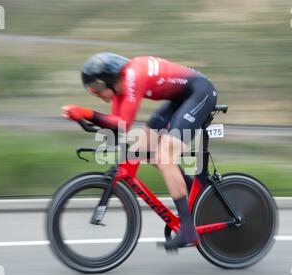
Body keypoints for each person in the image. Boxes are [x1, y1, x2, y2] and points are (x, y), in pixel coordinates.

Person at [62, 52, 218, 250]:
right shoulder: (119, 86)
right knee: (142, 149)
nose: (96, 94)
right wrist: (85, 119)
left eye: (96, 89)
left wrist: (85, 113)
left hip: (200, 93)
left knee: (164, 156)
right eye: (91, 91)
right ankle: (194, 198)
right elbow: (118, 127)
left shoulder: (133, 76)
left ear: (108, 80)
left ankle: (188, 229)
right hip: (181, 99)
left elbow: (122, 123)